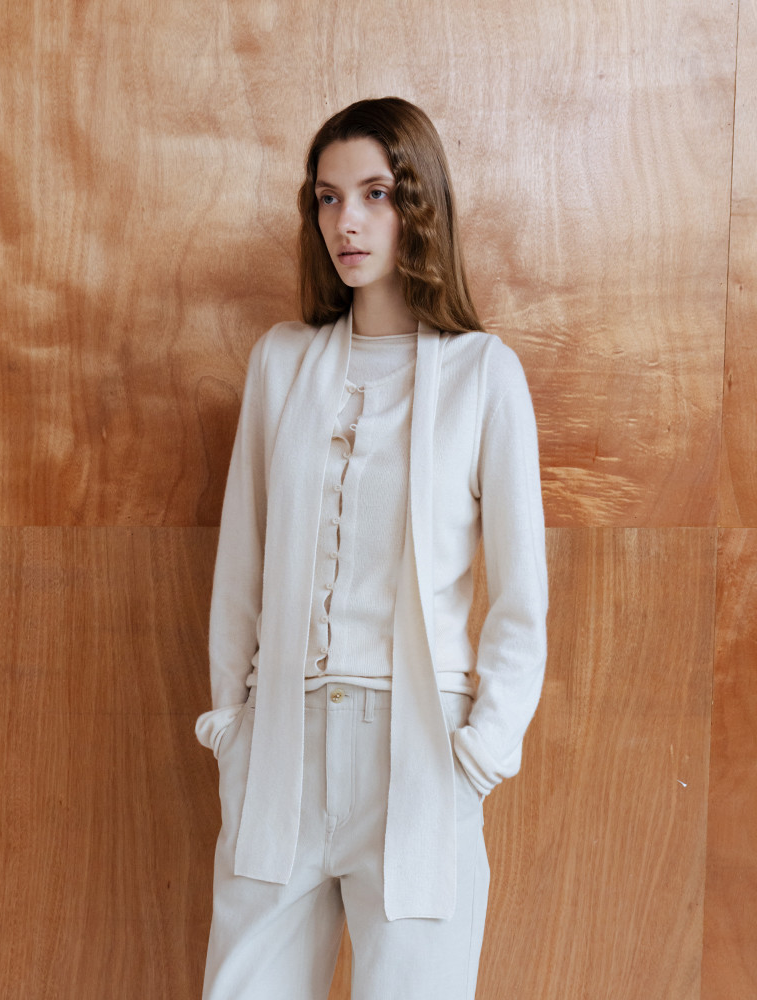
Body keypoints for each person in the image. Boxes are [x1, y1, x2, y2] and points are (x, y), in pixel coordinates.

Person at [195, 96, 548, 1000]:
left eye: (375, 193)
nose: (345, 221)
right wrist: (233, 727)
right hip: (282, 744)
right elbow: (242, 562)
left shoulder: (484, 374)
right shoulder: (282, 362)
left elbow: (521, 597)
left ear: (419, 204)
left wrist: (480, 755)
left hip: (420, 755)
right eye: (327, 197)